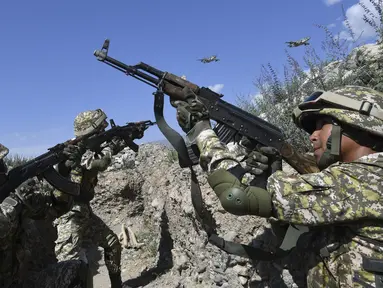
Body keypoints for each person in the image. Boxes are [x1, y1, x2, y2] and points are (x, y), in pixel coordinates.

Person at [174, 85, 383, 287]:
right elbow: (302, 236)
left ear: (356, 123)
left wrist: (201, 131)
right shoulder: (357, 179)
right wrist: (269, 176)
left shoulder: (364, 179)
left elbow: (236, 197)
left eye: (322, 125)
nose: (313, 135)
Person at [54, 109, 127, 288]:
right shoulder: (74, 151)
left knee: (112, 244)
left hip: (84, 212)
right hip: (68, 217)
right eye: (101, 127)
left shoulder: (90, 148)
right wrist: (111, 147)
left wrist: (121, 141)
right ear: (90, 131)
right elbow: (100, 163)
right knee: (70, 269)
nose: (104, 130)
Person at [0, 143, 89, 288]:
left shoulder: (11, 196)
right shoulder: (10, 205)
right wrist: (12, 207)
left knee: (74, 270)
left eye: (1, 163)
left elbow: (55, 209)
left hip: (17, 282)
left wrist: (63, 170)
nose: (4, 169)